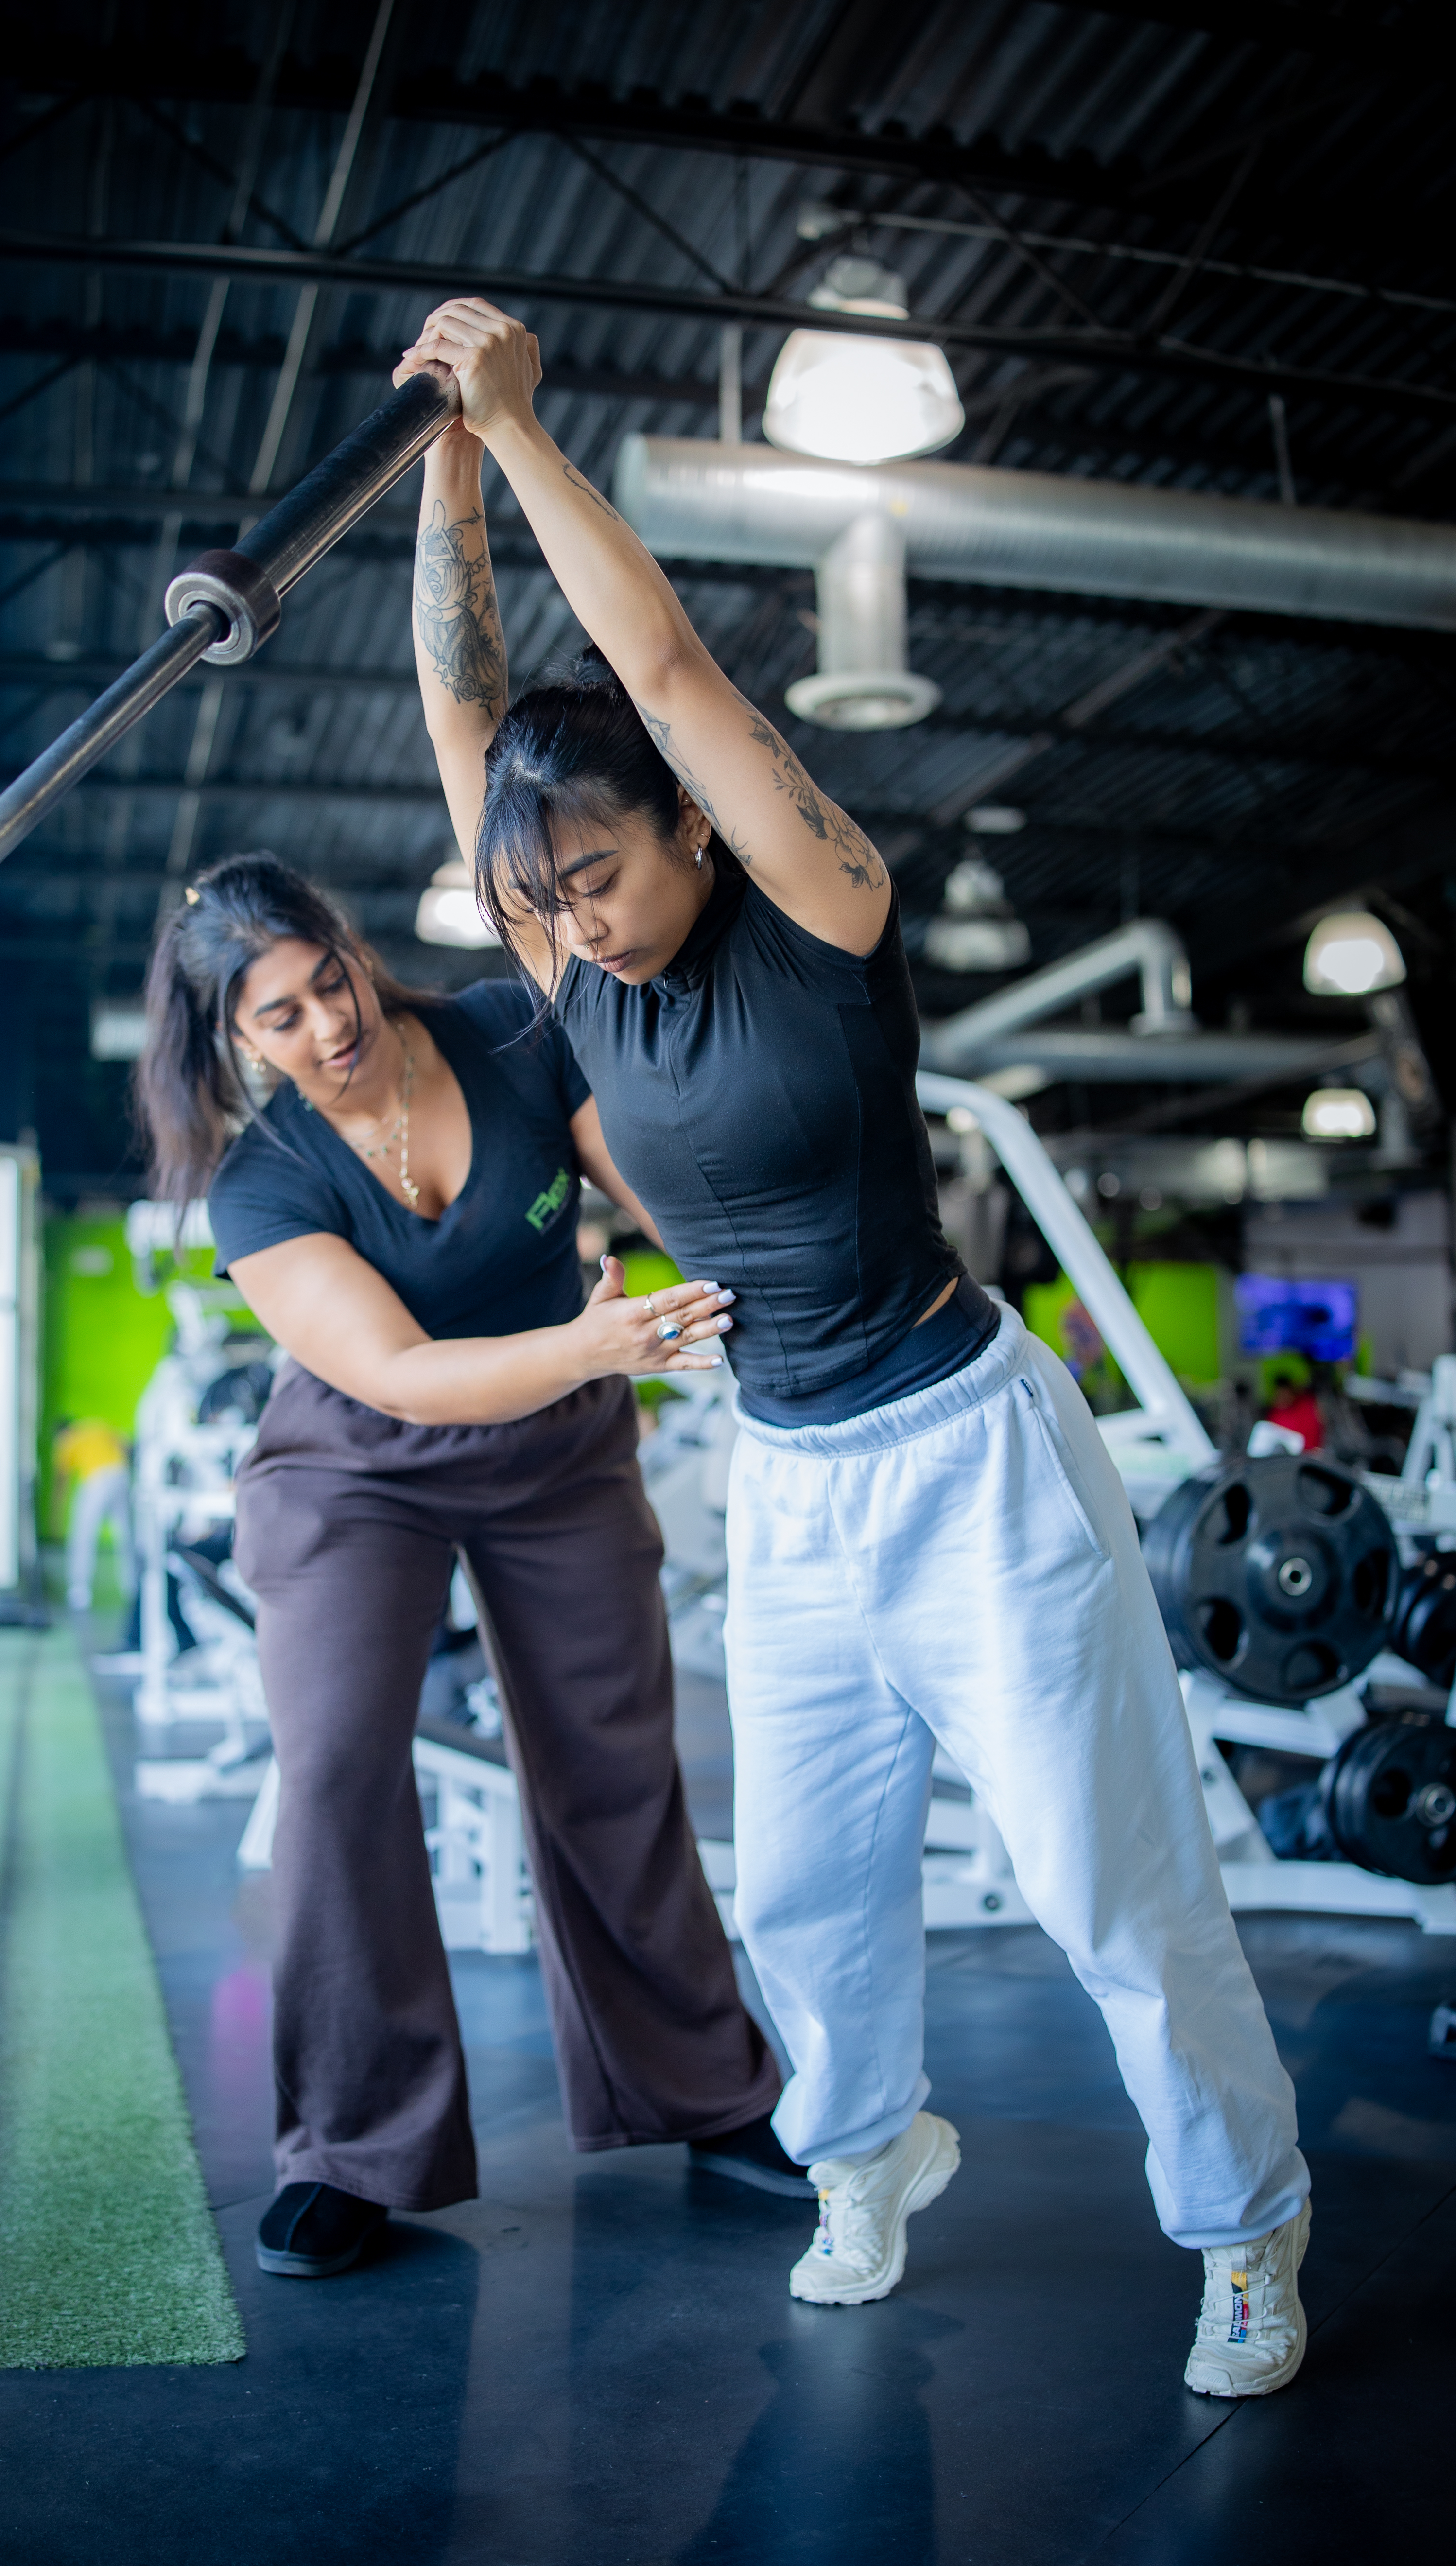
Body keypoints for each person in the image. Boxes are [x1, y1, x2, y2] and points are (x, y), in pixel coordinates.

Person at [399, 298, 1312, 2398]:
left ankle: (1243, 2226)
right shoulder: (564, 947)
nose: (575, 916)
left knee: (1104, 1880)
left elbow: (655, 672)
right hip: (794, 1477)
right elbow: (469, 708)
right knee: (803, 1885)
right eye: (545, 889)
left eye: (602, 871)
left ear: (691, 833)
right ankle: (865, 2143)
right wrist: (440, 457)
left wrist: (525, 425)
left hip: (969, 1445)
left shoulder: (816, 901)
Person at [134, 853, 795, 2282]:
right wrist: (597, 1343)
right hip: (358, 1464)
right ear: (236, 1042)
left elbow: (650, 1180)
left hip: (559, 1448)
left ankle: (706, 2089)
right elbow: (400, 1372)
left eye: (331, 979)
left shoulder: (507, 1028)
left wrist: (754, 1286)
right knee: (334, 1769)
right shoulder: (262, 1186)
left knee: (612, 1756)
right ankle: (351, 2149)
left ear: (355, 950)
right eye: (281, 1017)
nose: (329, 1025)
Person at [51, 1416, 135, 1614]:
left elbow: (61, 1480)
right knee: (125, 1534)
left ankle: (79, 1591)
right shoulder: (97, 1427)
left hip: (97, 1479)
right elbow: (126, 1444)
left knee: (83, 1535)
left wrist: (56, 1511)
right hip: (122, 1474)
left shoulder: (66, 1441)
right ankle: (132, 1586)